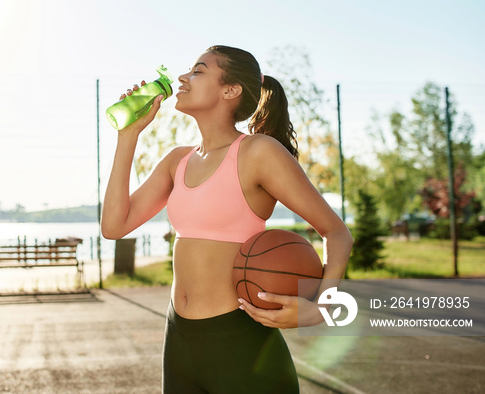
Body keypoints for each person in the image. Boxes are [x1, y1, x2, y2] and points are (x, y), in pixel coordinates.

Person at [101, 45, 352, 393]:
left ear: (230, 90)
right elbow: (114, 226)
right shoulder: (178, 160)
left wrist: (321, 307)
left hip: (241, 344)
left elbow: (336, 232)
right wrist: (127, 136)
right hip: (179, 339)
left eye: (198, 71)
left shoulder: (257, 153)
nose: (182, 78)